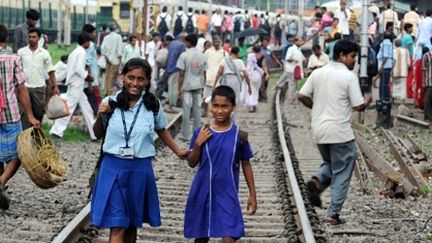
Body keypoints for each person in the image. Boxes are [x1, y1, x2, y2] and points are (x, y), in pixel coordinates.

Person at [91, 58, 188, 242]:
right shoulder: (110, 102)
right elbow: (97, 133)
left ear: (147, 81)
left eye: (140, 79)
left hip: (140, 169)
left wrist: (178, 151)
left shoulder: (153, 105)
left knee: (131, 225)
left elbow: (162, 130)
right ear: (123, 77)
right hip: (113, 168)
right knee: (117, 224)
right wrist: (99, 115)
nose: (135, 83)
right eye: (131, 77)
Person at [298, 40, 372, 225]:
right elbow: (358, 105)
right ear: (342, 56)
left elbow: (302, 95)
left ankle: (317, 180)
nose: (355, 61)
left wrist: (316, 108)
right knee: (343, 171)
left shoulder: (318, 73)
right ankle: (333, 214)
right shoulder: (348, 77)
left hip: (320, 130)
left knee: (331, 163)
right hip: (340, 132)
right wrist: (368, 100)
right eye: (352, 56)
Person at [184, 85, 257, 242]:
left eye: (225, 106)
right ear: (211, 107)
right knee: (201, 237)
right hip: (202, 190)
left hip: (227, 193)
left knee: (229, 236)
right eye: (216, 106)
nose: (220, 111)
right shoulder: (201, 132)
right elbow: (191, 163)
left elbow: (246, 164)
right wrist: (198, 144)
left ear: (233, 107)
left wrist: (252, 194)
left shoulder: (239, 135)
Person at [0, 24, 40, 210]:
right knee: (18, 154)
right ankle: (1, 181)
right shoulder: (13, 59)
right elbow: (21, 89)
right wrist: (30, 116)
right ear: (6, 39)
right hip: (9, 114)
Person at [49, 32, 97, 140]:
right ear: (86, 42)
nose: (89, 44)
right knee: (69, 108)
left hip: (77, 84)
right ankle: (56, 131)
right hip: (76, 84)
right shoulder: (81, 53)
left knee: (87, 108)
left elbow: (68, 70)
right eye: (89, 41)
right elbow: (78, 69)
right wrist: (87, 76)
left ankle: (94, 133)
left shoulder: (74, 52)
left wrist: (57, 80)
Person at [17, 27, 59, 128]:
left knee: (39, 113)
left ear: (39, 38)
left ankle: (36, 136)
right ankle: (26, 138)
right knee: (24, 113)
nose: (31, 39)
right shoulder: (21, 52)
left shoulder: (44, 53)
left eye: (34, 37)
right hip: (25, 87)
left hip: (39, 87)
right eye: (29, 37)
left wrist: (55, 86)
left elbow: (50, 70)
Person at [176, 33, 207, 141]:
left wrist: (179, 89)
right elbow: (204, 73)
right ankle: (197, 134)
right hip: (198, 85)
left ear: (188, 42)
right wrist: (203, 86)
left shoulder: (183, 55)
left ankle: (185, 135)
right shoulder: (202, 56)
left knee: (186, 110)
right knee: (198, 110)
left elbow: (181, 73)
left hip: (187, 86)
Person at [214, 46, 252, 111]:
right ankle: (233, 117)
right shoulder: (240, 62)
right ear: (237, 53)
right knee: (235, 99)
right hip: (236, 81)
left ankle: (225, 115)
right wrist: (249, 86)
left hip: (225, 80)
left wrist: (215, 84)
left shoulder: (224, 60)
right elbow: (245, 75)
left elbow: (219, 72)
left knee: (225, 98)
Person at [155, 33, 186, 112]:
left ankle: (156, 100)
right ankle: (172, 104)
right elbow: (183, 58)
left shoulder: (171, 45)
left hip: (169, 68)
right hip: (176, 69)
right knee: (174, 87)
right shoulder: (181, 45)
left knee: (162, 85)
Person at [203, 37, 226, 117]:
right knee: (205, 97)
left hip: (218, 78)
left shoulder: (223, 52)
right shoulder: (208, 52)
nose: (216, 43)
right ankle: (204, 111)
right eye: (215, 41)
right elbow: (204, 64)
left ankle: (215, 112)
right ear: (212, 42)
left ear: (220, 42)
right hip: (208, 77)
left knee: (217, 98)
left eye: (217, 41)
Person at [83, 24, 102, 116]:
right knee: (95, 104)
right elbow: (87, 64)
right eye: (94, 32)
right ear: (89, 34)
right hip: (91, 81)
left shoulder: (83, 46)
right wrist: (90, 82)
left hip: (88, 80)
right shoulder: (90, 46)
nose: (95, 34)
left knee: (88, 105)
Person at [101, 24, 123, 96]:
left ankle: (107, 92)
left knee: (107, 77)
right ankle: (111, 94)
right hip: (115, 60)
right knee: (113, 78)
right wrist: (121, 62)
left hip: (108, 60)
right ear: (115, 29)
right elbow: (119, 51)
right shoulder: (118, 37)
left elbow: (102, 49)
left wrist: (107, 57)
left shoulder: (106, 37)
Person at [244, 46, 265, 112]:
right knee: (255, 91)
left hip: (249, 76)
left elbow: (247, 66)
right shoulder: (256, 56)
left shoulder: (249, 56)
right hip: (255, 76)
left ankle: (250, 106)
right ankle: (253, 105)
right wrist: (262, 72)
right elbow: (255, 66)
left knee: (249, 91)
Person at [392, 39, 410, 103]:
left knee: (394, 86)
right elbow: (408, 63)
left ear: (395, 44)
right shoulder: (406, 51)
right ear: (401, 44)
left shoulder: (393, 51)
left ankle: (392, 101)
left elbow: (392, 62)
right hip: (403, 72)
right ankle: (402, 102)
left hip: (394, 71)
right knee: (403, 87)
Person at [422, 43, 432, 121]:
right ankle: (427, 115)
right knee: (428, 98)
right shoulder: (427, 55)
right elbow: (423, 69)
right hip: (429, 80)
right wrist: (423, 81)